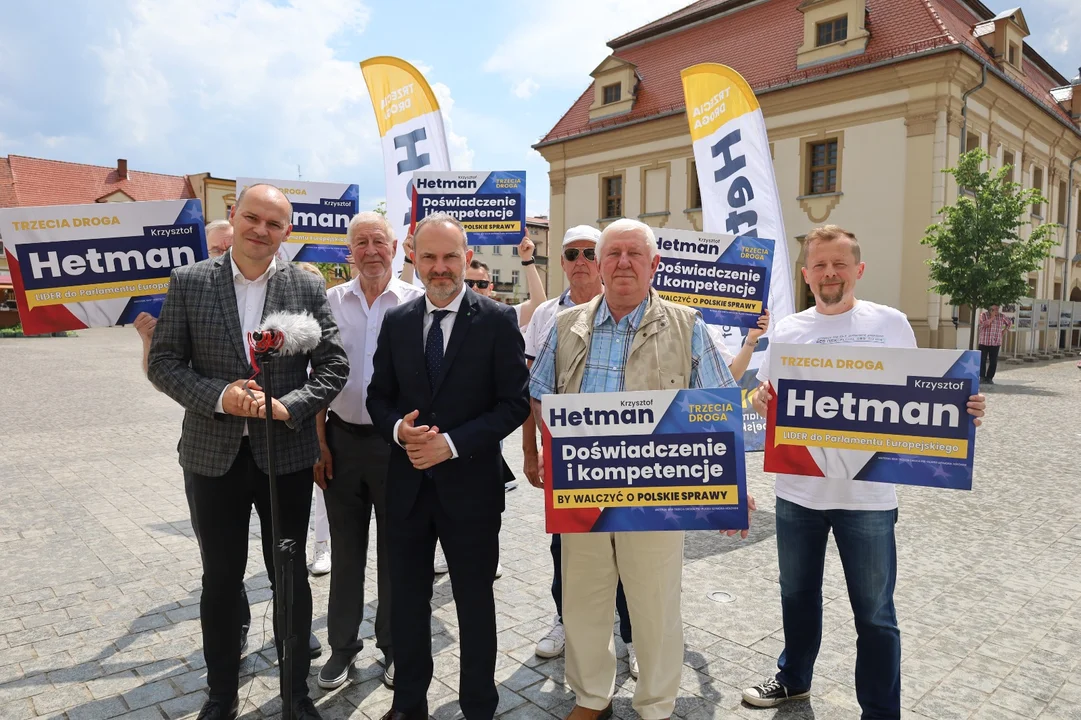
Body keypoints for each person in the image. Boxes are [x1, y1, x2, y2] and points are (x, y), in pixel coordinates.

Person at [742, 225, 986, 718]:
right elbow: (763, 398)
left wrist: (964, 408)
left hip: (869, 499)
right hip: (798, 492)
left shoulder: (892, 323)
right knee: (797, 596)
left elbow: (921, 397)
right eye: (820, 265)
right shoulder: (788, 330)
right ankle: (794, 680)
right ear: (806, 273)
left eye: (839, 264)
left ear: (858, 269)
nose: (830, 273)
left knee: (875, 615)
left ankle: (879, 710)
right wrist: (761, 399)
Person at [528, 218, 752, 720]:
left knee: (653, 604)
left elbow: (717, 404)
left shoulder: (687, 324)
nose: (623, 262)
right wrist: (564, 441)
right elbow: (539, 392)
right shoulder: (566, 325)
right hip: (582, 488)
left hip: (656, 491)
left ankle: (655, 704)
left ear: (655, 264)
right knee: (584, 599)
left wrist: (732, 483)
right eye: (613, 254)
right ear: (601, 267)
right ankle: (591, 697)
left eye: (634, 254)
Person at [147, 184, 349, 720]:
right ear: (233, 217)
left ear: (287, 232)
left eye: (274, 223)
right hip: (211, 456)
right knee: (220, 578)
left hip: (282, 456)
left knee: (289, 575)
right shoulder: (190, 282)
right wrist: (219, 396)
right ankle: (221, 695)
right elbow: (164, 362)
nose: (261, 230)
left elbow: (334, 366)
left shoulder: (305, 286)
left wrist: (290, 405)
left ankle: (296, 695)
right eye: (253, 218)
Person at [366, 212, 530, 720]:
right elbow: (378, 397)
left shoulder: (498, 320)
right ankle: (408, 704)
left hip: (472, 491)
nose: (440, 268)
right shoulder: (396, 321)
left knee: (475, 605)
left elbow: (514, 404)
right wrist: (399, 430)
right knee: (408, 606)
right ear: (412, 256)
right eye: (430, 257)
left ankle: (479, 705)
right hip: (408, 490)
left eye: (450, 257)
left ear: (468, 258)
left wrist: (453, 444)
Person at [519, 224, 637, 674]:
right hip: (571, 455)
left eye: (591, 252)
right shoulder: (548, 314)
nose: (582, 261)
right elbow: (532, 391)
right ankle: (565, 620)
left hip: (631, 456)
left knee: (630, 547)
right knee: (564, 546)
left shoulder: (632, 305)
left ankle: (632, 635)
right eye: (573, 254)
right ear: (562, 261)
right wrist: (531, 451)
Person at [315, 212, 422, 692]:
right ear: (349, 252)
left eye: (380, 240)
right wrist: (319, 443)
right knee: (346, 551)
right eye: (361, 243)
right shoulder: (329, 303)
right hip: (341, 441)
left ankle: (395, 648)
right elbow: (314, 380)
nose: (372, 250)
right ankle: (342, 649)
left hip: (397, 445)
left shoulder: (417, 302)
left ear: (396, 245)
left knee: (397, 552)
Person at [293, 262, 333, 577]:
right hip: (287, 423)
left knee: (323, 487)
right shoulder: (282, 326)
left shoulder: (330, 326)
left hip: (320, 419)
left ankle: (322, 545)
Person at [977, 304, 1011, 384]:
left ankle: (989, 377)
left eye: (997, 309)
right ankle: (982, 377)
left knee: (993, 361)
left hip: (995, 342)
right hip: (984, 342)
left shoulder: (1001, 316)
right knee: (982, 360)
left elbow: (1009, 323)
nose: (997, 311)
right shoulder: (983, 315)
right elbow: (984, 324)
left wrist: (1004, 330)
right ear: (990, 310)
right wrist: (992, 318)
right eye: (995, 309)